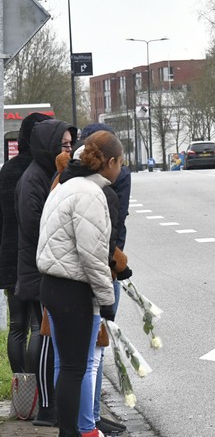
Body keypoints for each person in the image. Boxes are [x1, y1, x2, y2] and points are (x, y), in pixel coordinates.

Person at [37, 130, 122, 437]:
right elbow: (93, 256)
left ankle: (69, 431)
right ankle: (71, 433)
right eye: (120, 163)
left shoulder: (66, 186)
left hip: (52, 284)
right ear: (110, 162)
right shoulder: (91, 195)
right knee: (76, 369)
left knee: (68, 367)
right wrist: (106, 300)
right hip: (73, 289)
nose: (120, 170)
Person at [16, 118, 78, 426]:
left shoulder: (51, 173)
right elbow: (34, 226)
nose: (69, 150)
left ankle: (57, 404)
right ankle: (46, 408)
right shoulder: (34, 179)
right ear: (49, 146)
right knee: (45, 336)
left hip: (49, 266)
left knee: (53, 337)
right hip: (39, 269)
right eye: (64, 145)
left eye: (71, 144)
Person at [76, 123, 132, 437]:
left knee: (83, 356)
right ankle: (88, 423)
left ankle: (89, 420)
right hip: (92, 275)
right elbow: (102, 241)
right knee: (89, 355)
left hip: (62, 279)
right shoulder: (107, 183)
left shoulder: (70, 180)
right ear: (111, 161)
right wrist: (114, 274)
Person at [0, 112, 51, 375]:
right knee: (37, 325)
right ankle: (35, 383)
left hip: (8, 255)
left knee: (16, 325)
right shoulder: (42, 170)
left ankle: (20, 384)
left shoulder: (6, 170)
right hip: (31, 255)